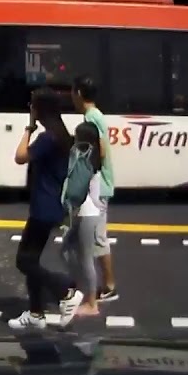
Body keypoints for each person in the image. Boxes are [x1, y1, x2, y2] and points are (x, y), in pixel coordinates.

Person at [9, 88, 85, 330]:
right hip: (51, 205)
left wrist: (28, 128)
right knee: (32, 259)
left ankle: (66, 290)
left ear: (39, 109)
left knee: (24, 261)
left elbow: (20, 156)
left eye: (33, 106)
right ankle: (36, 313)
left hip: (43, 207)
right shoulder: (61, 135)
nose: (31, 109)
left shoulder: (47, 138)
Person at [73, 78, 117, 302]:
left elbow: (98, 151)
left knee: (98, 237)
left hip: (97, 184)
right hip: (99, 182)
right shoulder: (95, 115)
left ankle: (108, 286)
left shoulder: (92, 117)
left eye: (73, 92)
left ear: (79, 93)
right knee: (89, 236)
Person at [58, 121, 105, 318]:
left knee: (85, 258)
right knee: (66, 250)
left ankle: (92, 303)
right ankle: (78, 290)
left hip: (87, 213)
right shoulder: (93, 155)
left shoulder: (83, 155)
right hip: (84, 212)